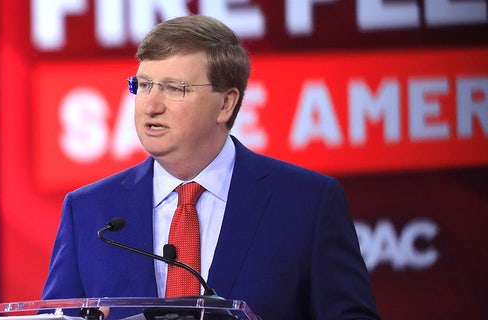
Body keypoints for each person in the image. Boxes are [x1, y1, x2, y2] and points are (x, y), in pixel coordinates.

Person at [42, 15, 380, 319]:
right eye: (143, 85)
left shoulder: (307, 203)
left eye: (175, 88)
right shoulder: (88, 211)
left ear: (226, 103)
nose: (151, 105)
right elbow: (56, 317)